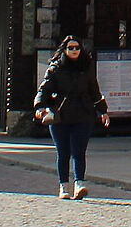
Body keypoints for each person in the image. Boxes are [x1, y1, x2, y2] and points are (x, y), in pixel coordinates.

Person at [32, 35, 109, 200]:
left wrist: (103, 111)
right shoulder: (55, 68)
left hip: (83, 114)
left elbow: (94, 91)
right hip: (61, 115)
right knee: (63, 152)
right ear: (64, 50)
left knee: (79, 151)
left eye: (77, 48)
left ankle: (79, 183)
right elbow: (43, 90)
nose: (74, 51)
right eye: (70, 48)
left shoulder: (86, 67)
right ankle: (63, 186)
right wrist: (39, 106)